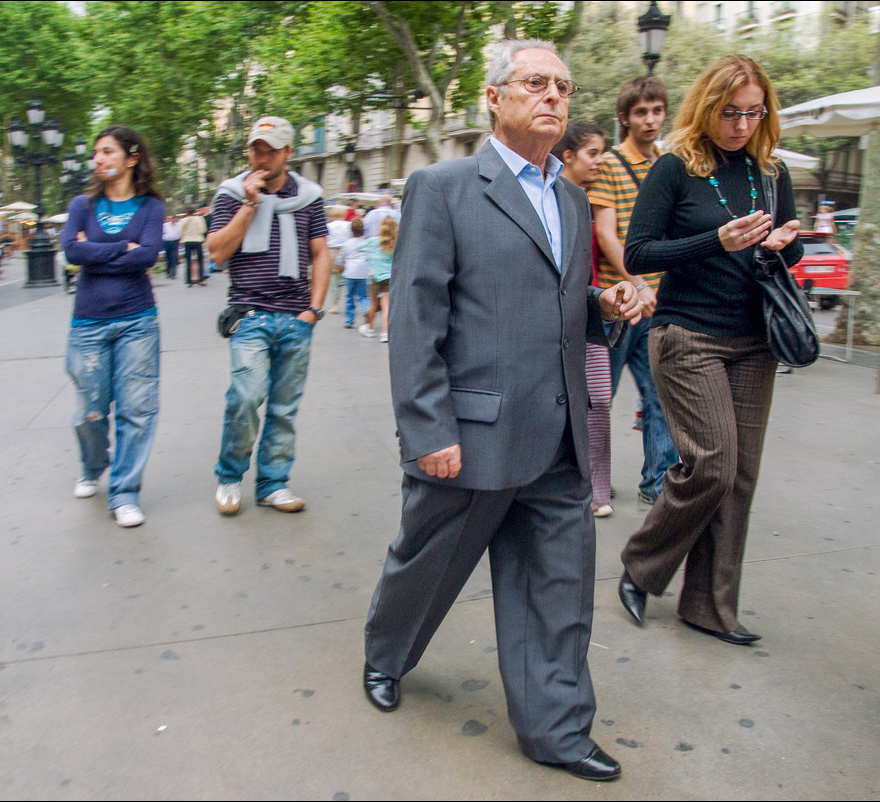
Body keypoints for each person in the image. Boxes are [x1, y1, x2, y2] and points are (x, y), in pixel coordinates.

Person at [362, 39, 644, 783]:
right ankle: (386, 656)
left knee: (558, 589)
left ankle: (556, 730)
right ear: (495, 96)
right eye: (534, 83)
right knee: (426, 569)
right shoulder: (445, 186)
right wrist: (427, 429)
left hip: (558, 437)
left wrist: (604, 303)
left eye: (562, 85)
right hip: (471, 435)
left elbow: (558, 301)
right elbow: (417, 316)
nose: (552, 95)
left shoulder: (576, 200)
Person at [615, 54, 803, 646]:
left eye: (753, 113)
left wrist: (781, 246)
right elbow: (639, 254)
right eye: (730, 113)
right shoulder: (676, 168)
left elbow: (788, 252)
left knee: (739, 479)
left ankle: (709, 607)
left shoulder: (770, 172)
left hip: (755, 340)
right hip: (688, 335)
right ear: (707, 108)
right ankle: (641, 565)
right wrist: (713, 241)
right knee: (713, 466)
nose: (742, 124)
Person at [207, 115, 330, 515]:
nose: (261, 156)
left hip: (296, 317)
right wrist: (249, 202)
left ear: (288, 153)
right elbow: (218, 252)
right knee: (245, 397)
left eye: (270, 149)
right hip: (250, 315)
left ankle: (273, 483)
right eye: (256, 148)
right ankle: (230, 475)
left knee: (284, 407)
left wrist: (313, 310)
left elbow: (320, 253)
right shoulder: (231, 193)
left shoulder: (309, 196)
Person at [61, 124, 165, 528]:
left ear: (131, 158)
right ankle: (93, 465)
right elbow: (72, 250)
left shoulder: (151, 207)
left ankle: (124, 492)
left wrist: (97, 252)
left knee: (137, 410)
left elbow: (151, 256)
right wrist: (124, 247)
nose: (99, 159)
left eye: (107, 151)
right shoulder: (81, 206)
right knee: (90, 411)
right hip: (88, 322)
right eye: (96, 152)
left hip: (138, 320)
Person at [586, 75, 680, 507]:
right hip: (618, 303)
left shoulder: (667, 162)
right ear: (624, 117)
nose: (650, 119)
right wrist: (639, 282)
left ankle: (658, 482)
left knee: (662, 395)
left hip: (660, 304)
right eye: (641, 111)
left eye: (657, 110)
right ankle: (587, 480)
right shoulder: (608, 164)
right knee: (601, 397)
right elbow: (607, 234)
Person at [552, 122, 613, 518]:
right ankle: (576, 483)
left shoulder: (588, 200)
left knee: (600, 400)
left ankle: (597, 490)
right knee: (576, 403)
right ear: (569, 155)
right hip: (565, 319)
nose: (600, 160)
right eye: (593, 153)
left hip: (598, 311)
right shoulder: (558, 200)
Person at [357, 216, 396, 342]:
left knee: (373, 304)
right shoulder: (394, 243)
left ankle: (369, 328)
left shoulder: (372, 241)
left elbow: (359, 248)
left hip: (374, 276)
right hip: (389, 277)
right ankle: (385, 332)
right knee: (386, 305)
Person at [335, 217, 371, 328]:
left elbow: (340, 259)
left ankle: (349, 321)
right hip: (363, 272)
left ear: (351, 230)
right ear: (363, 230)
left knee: (349, 297)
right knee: (363, 296)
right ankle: (366, 311)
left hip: (350, 272)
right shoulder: (366, 243)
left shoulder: (347, 244)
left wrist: (339, 267)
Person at [325, 204, 351, 314]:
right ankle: (346, 293)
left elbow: (326, 239)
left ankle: (335, 304)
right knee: (346, 276)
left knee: (334, 280)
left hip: (332, 251)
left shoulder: (329, 226)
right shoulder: (349, 225)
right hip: (347, 251)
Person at [178, 207, 207, 286]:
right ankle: (201, 280)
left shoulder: (182, 220)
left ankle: (189, 280)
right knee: (200, 260)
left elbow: (180, 231)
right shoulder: (199, 219)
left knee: (188, 261)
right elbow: (203, 230)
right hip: (197, 240)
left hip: (187, 240)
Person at [162, 213, 182, 280]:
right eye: (168, 218)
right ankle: (168, 272)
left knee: (174, 257)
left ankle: (173, 273)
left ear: (174, 218)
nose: (170, 220)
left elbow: (180, 233)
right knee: (168, 258)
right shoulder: (165, 225)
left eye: (171, 218)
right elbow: (162, 233)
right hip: (167, 242)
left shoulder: (178, 225)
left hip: (175, 241)